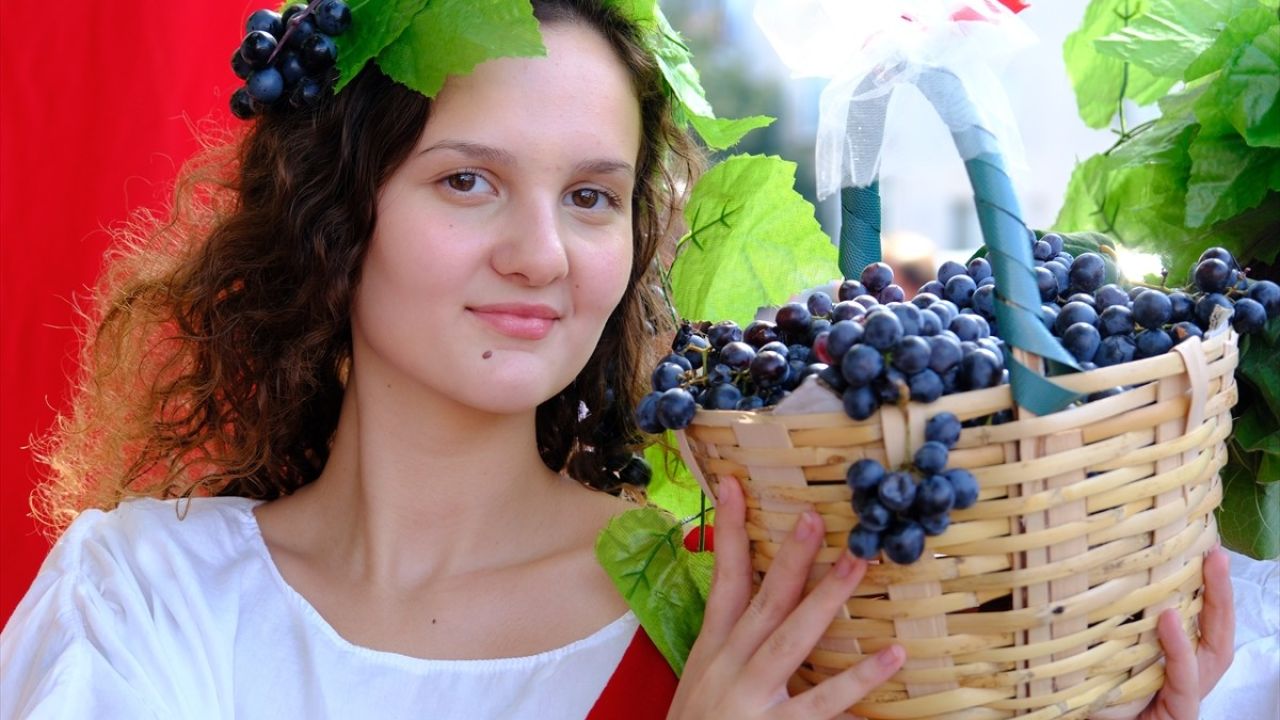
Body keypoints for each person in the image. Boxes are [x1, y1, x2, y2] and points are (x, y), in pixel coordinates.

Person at [0, 1, 1241, 718]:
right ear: (340, 214)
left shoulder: (756, 599)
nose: (541, 253)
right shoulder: (145, 594)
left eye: (591, 197)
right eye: (468, 180)